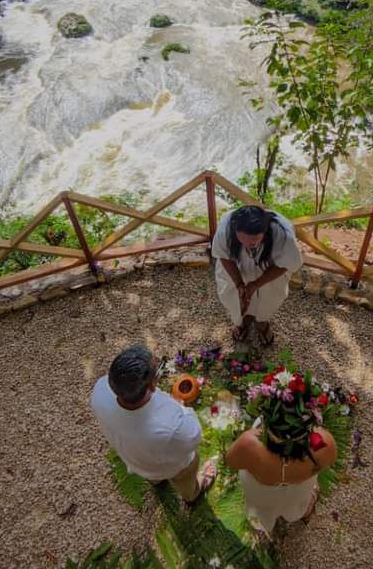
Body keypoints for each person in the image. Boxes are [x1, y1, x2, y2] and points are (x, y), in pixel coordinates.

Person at [91, 344, 216, 502]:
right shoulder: (172, 428)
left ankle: (155, 481)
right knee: (186, 478)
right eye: (157, 372)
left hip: (135, 460)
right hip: (172, 467)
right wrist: (180, 406)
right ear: (151, 385)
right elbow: (194, 436)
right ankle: (192, 495)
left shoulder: (100, 391)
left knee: (150, 472)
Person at [225, 367, 337, 535]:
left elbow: (231, 462)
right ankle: (300, 513)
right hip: (299, 488)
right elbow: (331, 460)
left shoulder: (249, 444)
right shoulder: (324, 443)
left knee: (264, 512)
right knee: (295, 505)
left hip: (261, 492)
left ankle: (265, 525)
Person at [210, 205, 303, 345]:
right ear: (236, 231)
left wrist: (255, 285)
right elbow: (223, 256)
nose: (249, 244)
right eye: (243, 240)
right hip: (236, 264)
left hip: (269, 268)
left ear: (264, 231)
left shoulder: (282, 235)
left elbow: (286, 264)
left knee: (270, 295)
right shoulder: (225, 230)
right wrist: (239, 284)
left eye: (254, 241)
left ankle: (262, 321)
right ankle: (241, 321)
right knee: (233, 295)